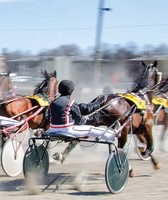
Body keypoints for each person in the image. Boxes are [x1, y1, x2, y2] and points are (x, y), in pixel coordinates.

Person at [47, 79, 117, 161]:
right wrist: (85, 118)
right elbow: (79, 122)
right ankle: (113, 133)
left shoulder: (53, 103)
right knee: (91, 129)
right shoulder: (72, 102)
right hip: (67, 130)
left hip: (52, 130)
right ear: (71, 90)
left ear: (59, 90)